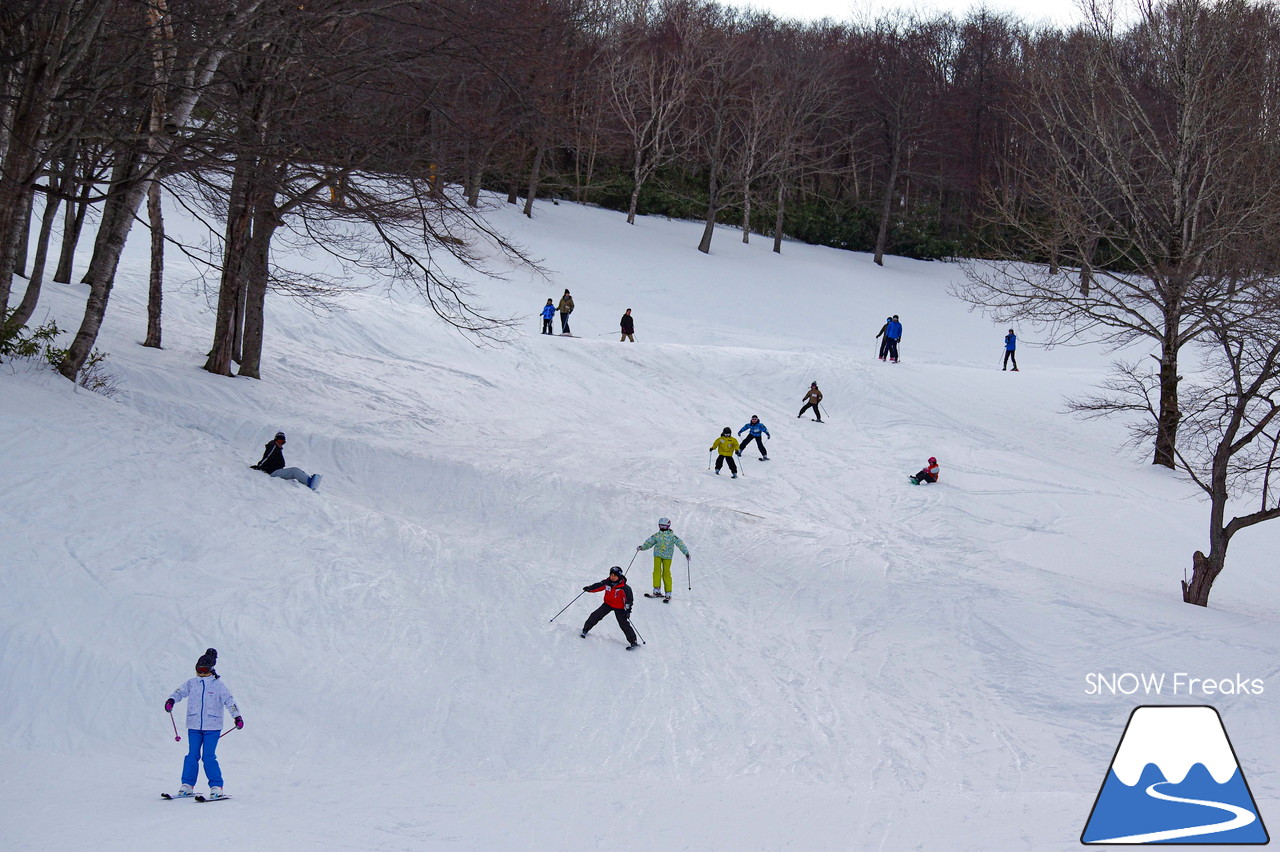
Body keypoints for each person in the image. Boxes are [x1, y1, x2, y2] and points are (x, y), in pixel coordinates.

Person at [165, 649, 242, 799]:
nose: (200, 672)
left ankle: (216, 786)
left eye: (204, 670)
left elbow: (230, 701)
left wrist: (237, 716)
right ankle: (187, 785)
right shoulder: (192, 683)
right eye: (198, 669)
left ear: (211, 669)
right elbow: (179, 692)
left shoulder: (218, 685)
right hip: (194, 725)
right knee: (192, 755)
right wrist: (171, 700)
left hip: (212, 727)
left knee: (208, 756)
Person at [580, 566, 639, 649]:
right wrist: (590, 588)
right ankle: (586, 628)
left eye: (615, 575)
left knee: (623, 623)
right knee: (596, 615)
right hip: (608, 604)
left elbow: (629, 600)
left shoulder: (625, 588)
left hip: (620, 607)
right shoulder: (607, 582)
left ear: (619, 576)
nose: (612, 577)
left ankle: (633, 641)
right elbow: (598, 586)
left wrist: (628, 611)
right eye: (611, 575)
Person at [637, 517, 691, 601]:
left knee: (666, 573)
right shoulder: (657, 535)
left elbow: (680, 544)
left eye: (664, 526)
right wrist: (642, 547)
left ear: (668, 526)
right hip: (657, 555)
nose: (662, 528)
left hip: (667, 557)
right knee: (656, 571)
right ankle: (656, 589)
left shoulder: (672, 536)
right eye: (661, 526)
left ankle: (668, 592)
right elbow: (649, 542)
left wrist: (686, 553)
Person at [250, 431, 321, 491]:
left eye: (283, 442)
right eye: (279, 441)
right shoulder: (273, 446)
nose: (281, 443)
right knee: (294, 471)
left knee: (295, 471)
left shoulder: (276, 447)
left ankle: (308, 480)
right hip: (273, 471)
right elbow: (267, 457)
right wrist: (259, 466)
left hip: (276, 470)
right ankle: (309, 481)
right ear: (275, 440)